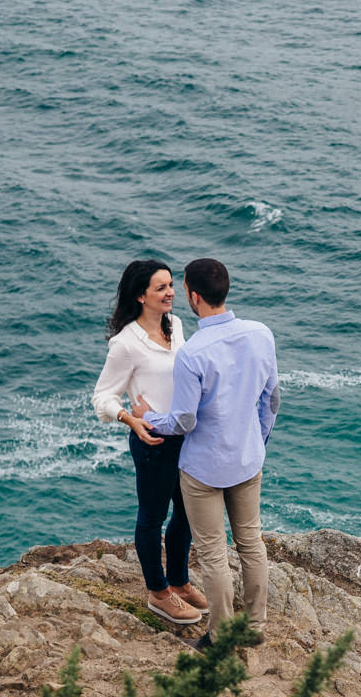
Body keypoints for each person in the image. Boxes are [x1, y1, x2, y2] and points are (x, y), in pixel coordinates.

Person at [137, 257, 279, 648]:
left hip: (203, 469)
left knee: (214, 552)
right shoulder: (261, 334)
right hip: (248, 460)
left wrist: (150, 417)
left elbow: (183, 421)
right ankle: (254, 628)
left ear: (192, 295)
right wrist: (257, 440)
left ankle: (220, 635)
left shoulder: (193, 353)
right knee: (251, 542)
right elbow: (272, 399)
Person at [91, 259, 207, 624]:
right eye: (161, 287)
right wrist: (130, 418)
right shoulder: (125, 345)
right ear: (141, 296)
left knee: (187, 514)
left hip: (185, 435)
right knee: (152, 518)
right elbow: (102, 397)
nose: (171, 292)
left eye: (171, 285)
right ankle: (158, 593)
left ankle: (179, 581)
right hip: (153, 439)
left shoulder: (177, 325)